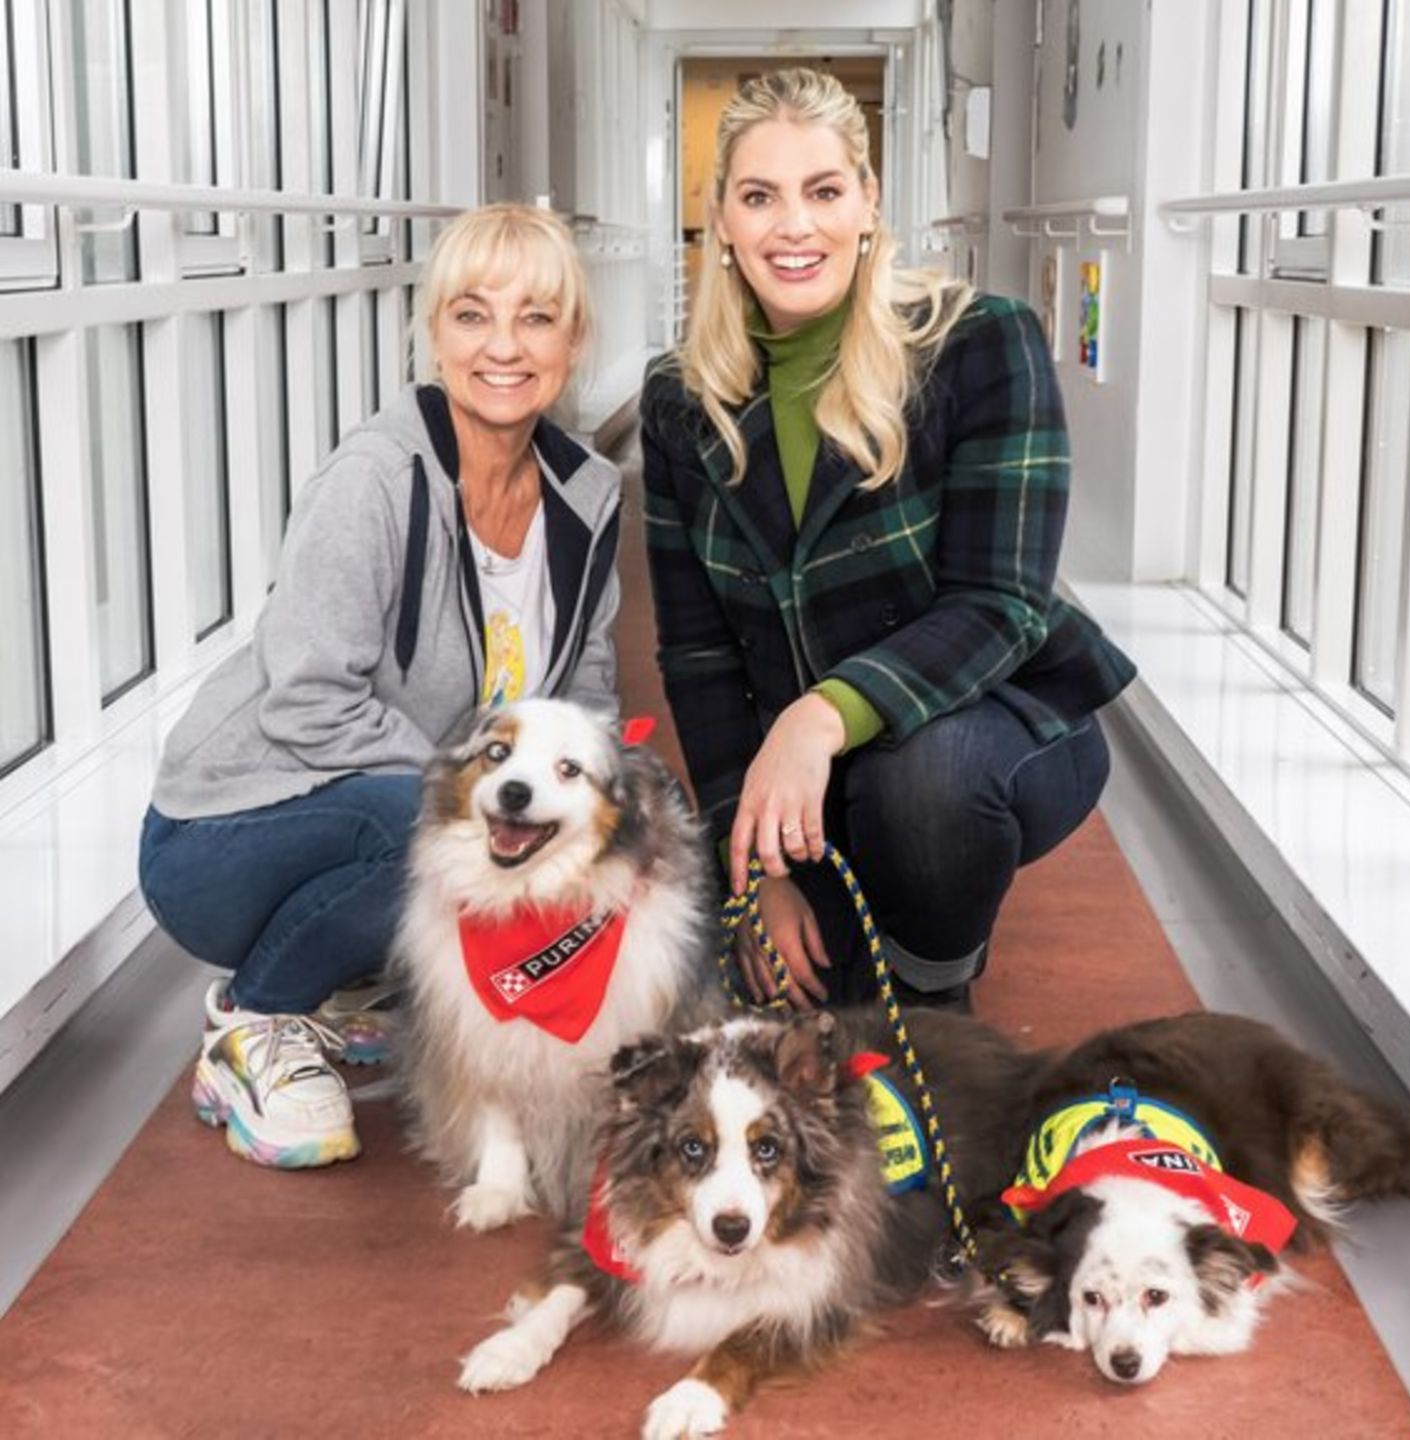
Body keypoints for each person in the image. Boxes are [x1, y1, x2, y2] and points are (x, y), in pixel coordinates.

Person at [641, 68, 1135, 1015]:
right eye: (760, 196)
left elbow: (1002, 606)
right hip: (811, 782)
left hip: (991, 726)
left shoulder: (983, 343)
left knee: (926, 793)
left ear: (868, 203)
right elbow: (699, 658)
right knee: (790, 991)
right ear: (725, 222)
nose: (795, 226)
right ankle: (875, 929)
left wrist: (818, 716)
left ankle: (936, 1010)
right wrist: (753, 878)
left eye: (824, 191)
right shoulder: (679, 400)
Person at [138, 203, 622, 1168]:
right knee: (435, 819)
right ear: (434, 331)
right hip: (223, 836)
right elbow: (307, 701)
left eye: (536, 317)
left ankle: (350, 980)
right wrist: (486, 792)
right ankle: (256, 1018)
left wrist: (608, 816)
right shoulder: (372, 480)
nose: (504, 347)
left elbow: (589, 698)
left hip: (395, 809)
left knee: (582, 841)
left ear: (573, 337)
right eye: (473, 314)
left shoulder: (589, 494)